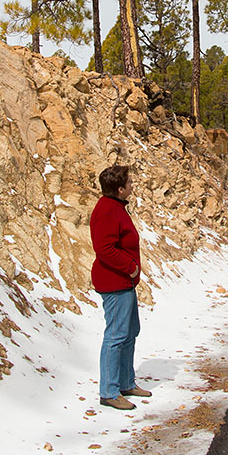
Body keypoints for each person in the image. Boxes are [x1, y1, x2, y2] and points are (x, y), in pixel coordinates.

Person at [90, 164, 151, 411]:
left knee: (130, 332)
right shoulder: (106, 210)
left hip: (124, 282)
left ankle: (126, 383)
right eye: (130, 183)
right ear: (120, 189)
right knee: (116, 336)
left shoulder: (116, 207)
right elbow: (104, 249)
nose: (133, 185)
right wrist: (130, 266)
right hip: (114, 282)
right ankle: (109, 391)